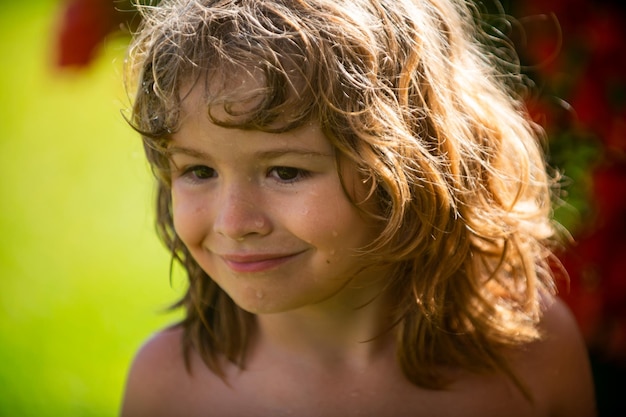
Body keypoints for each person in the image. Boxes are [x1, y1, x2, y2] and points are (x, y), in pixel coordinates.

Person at [120, 0, 596, 415]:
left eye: (286, 172)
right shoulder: (168, 388)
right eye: (199, 171)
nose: (234, 223)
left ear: (410, 168)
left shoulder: (533, 355)